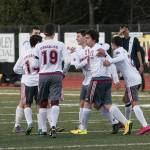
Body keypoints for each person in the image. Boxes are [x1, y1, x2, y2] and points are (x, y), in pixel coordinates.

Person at [71, 29, 132, 135]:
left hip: (98, 79)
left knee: (87, 102)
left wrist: (105, 56)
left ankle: (83, 128)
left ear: (93, 39)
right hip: (105, 79)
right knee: (105, 104)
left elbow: (109, 61)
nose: (86, 40)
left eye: (87, 38)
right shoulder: (92, 49)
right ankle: (125, 122)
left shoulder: (98, 48)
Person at [104, 36, 150, 135]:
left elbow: (119, 59)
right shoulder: (123, 50)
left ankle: (145, 125)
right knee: (126, 100)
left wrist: (109, 61)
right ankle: (126, 122)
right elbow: (118, 64)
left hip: (132, 80)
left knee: (134, 103)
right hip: (135, 77)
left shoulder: (118, 51)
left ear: (113, 44)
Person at [33, 23, 70, 138]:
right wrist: (63, 73)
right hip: (56, 74)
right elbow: (68, 62)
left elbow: (35, 64)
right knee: (55, 102)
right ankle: (53, 125)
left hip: (43, 74)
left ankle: (43, 129)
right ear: (54, 34)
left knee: (43, 102)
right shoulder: (60, 44)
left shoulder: (38, 46)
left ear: (44, 34)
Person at [13, 26, 41, 133]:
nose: (37, 35)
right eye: (35, 33)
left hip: (28, 78)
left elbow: (17, 67)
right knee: (26, 102)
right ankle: (18, 125)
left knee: (26, 102)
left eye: (38, 33)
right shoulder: (28, 46)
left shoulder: (33, 46)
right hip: (31, 78)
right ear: (30, 34)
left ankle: (20, 125)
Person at [118, 25, 145, 91]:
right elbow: (114, 40)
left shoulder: (134, 39)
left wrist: (141, 64)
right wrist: (120, 33)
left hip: (134, 60)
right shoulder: (121, 40)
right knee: (128, 76)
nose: (125, 32)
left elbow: (138, 51)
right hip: (126, 62)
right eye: (123, 31)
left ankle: (141, 88)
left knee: (139, 74)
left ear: (129, 30)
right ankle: (130, 87)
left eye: (126, 30)